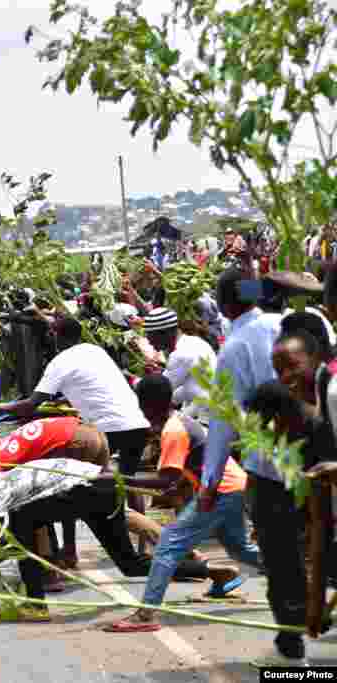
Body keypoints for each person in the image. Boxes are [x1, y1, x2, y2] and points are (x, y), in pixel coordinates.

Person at [0, 439, 210, 624]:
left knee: (20, 524)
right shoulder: (10, 478)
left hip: (90, 490)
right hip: (106, 488)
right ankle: (206, 570)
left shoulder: (2, 490)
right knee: (131, 565)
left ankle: (36, 605)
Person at [0, 316, 150, 567]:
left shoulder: (59, 362)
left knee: (69, 486)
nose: (51, 337)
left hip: (104, 429)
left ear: (58, 336)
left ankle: (69, 552)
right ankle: (142, 546)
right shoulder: (94, 350)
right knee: (129, 484)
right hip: (136, 422)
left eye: (53, 333)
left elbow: (29, 405)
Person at [104, 374, 259, 633]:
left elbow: (166, 481)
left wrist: (118, 478)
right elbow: (178, 477)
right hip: (231, 486)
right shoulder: (179, 421)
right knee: (240, 550)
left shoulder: (173, 430)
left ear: (147, 404)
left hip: (222, 491)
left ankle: (146, 615)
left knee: (167, 546)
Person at [199, 269, 294, 663]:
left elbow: (221, 423)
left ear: (224, 303)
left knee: (280, 557)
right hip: (324, 452)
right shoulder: (290, 323)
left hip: (272, 465)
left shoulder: (234, 347)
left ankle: (292, 653)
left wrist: (209, 481)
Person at [142, 307, 217, 419]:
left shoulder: (181, 354)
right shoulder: (193, 341)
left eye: (150, 336)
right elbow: (188, 387)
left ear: (164, 333)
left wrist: (138, 382)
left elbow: (160, 391)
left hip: (207, 414)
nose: (149, 341)